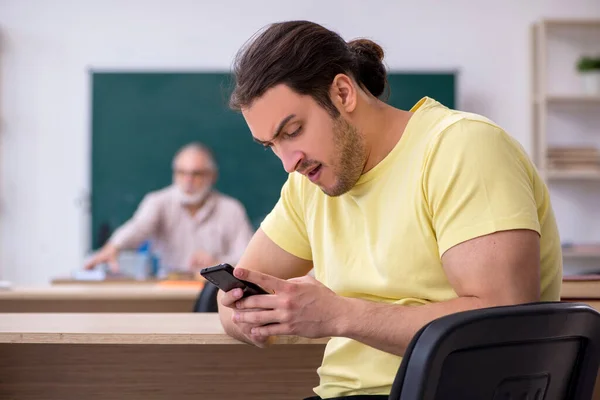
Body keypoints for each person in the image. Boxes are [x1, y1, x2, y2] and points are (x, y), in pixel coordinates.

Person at [216, 20, 564, 400]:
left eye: (293, 130)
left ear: (343, 93)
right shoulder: (307, 185)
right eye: (271, 145)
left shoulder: (463, 147)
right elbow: (234, 295)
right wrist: (248, 312)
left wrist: (337, 315)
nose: (288, 161)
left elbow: (503, 326)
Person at [85, 142, 254, 273]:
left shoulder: (231, 209)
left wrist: (218, 263)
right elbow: (139, 227)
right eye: (181, 173)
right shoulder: (158, 201)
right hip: (166, 291)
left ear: (212, 176)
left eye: (196, 174)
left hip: (214, 293)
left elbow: (249, 257)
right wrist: (114, 246)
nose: (188, 180)